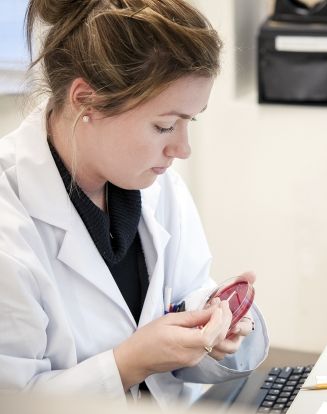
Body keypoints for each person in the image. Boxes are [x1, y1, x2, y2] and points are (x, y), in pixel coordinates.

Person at [0, 0, 269, 408]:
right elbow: (12, 400)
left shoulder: (156, 186)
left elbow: (186, 291)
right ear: (86, 101)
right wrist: (127, 364)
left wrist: (212, 322)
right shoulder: (10, 226)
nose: (182, 148)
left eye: (188, 122)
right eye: (164, 126)